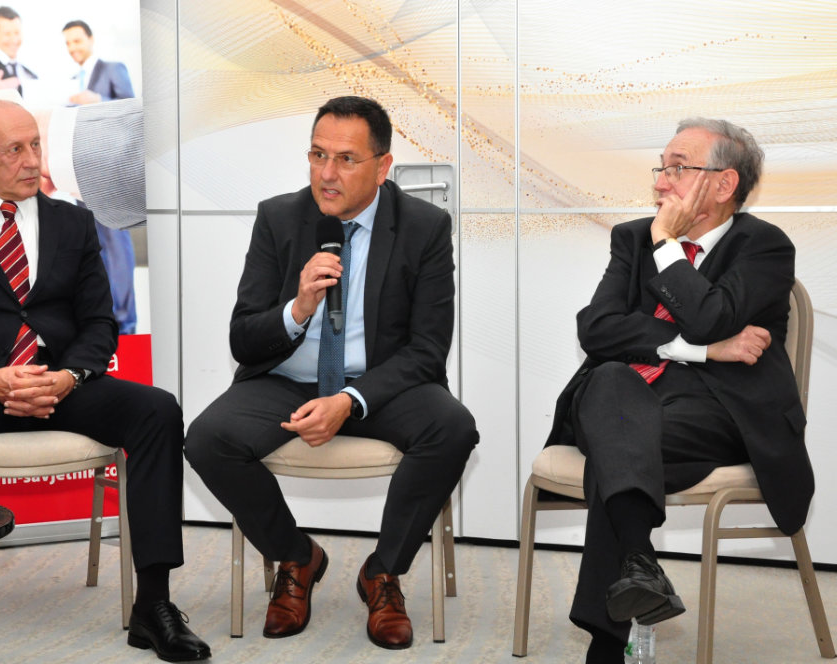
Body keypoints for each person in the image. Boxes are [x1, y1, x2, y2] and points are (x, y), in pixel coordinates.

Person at [0, 100, 209, 664]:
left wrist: (68, 376)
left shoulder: (73, 221)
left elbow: (99, 324)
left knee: (156, 409)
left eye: (35, 145)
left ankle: (154, 604)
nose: (32, 160)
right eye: (14, 149)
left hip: (61, 384)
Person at [185, 96, 479, 650]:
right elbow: (243, 338)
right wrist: (297, 309)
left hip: (379, 386)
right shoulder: (279, 218)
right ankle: (297, 557)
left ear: (382, 167)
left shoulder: (424, 227)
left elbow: (427, 350)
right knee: (207, 439)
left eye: (346, 159)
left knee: (452, 428)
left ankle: (383, 573)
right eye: (318, 155)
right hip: (285, 381)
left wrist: (349, 400)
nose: (326, 173)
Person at [544, 118, 814, 663]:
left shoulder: (763, 246)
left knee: (618, 451)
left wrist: (668, 245)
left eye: (677, 168)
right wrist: (703, 350)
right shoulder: (631, 238)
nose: (660, 181)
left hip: (719, 411)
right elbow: (596, 329)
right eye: (661, 168)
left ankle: (608, 637)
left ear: (724, 183)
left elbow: (710, 315)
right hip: (627, 400)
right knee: (609, 383)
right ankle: (639, 563)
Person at [61, 18, 138, 335]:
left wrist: (99, 102)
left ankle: (125, 323)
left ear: (91, 40)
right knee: (95, 250)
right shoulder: (71, 81)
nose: (73, 48)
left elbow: (133, 110)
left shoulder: (112, 69)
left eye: (77, 40)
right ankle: (104, 321)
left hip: (111, 179)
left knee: (116, 248)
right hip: (82, 177)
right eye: (68, 43)